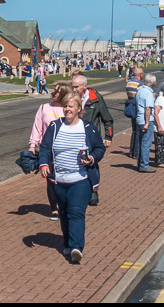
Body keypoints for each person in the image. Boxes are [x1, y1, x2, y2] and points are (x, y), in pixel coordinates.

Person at [37, 93, 106, 264]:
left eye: (71, 106)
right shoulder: (55, 127)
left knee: (76, 212)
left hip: (81, 179)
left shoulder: (88, 128)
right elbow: (45, 148)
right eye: (65, 106)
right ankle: (67, 243)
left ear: (79, 109)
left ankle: (77, 247)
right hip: (59, 180)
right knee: (63, 212)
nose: (67, 109)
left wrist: (92, 158)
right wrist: (44, 164)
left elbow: (99, 148)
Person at [29, 82, 72, 221]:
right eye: (54, 90)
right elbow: (37, 126)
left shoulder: (68, 109)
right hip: (48, 149)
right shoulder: (44, 107)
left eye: (58, 91)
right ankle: (54, 209)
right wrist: (32, 145)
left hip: (65, 149)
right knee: (50, 179)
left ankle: (66, 205)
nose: (54, 93)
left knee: (65, 178)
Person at [72, 74, 114, 205]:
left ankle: (93, 191)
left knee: (91, 164)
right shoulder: (71, 98)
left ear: (84, 86)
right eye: (72, 87)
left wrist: (108, 136)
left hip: (90, 138)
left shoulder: (95, 99)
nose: (74, 90)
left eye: (76, 87)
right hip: (74, 136)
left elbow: (107, 118)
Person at [135, 74, 157, 172]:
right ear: (153, 83)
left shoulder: (140, 90)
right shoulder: (148, 93)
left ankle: (140, 164)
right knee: (146, 143)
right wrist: (147, 122)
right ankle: (144, 165)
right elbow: (148, 108)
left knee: (141, 142)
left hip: (139, 119)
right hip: (146, 120)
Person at [125, 68, 144, 160]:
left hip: (131, 107)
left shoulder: (129, 83)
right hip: (137, 108)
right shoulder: (139, 84)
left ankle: (131, 151)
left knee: (134, 130)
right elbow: (141, 97)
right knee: (138, 131)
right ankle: (136, 152)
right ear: (140, 74)